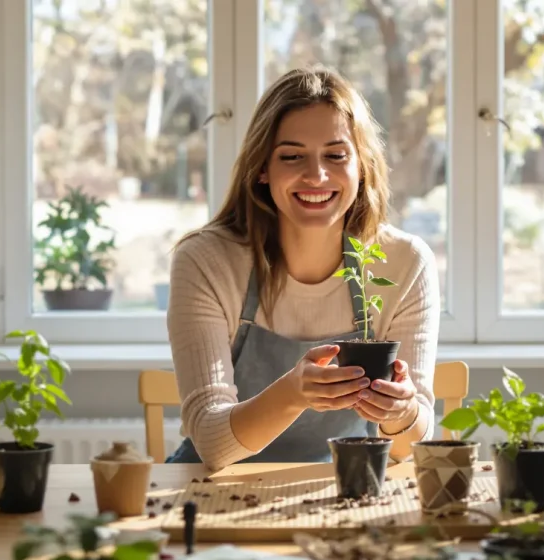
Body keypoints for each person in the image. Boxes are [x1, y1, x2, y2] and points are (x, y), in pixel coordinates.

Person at [164, 66, 441, 471]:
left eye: (336, 155)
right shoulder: (206, 261)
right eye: (292, 156)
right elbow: (211, 443)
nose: (316, 175)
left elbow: (408, 447)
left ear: (362, 166)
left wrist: (401, 413)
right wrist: (293, 394)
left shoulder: (406, 262)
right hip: (214, 488)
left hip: (342, 485)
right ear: (262, 167)